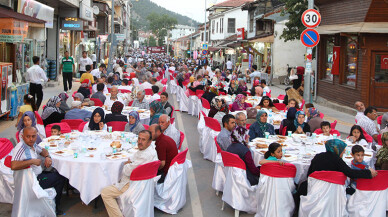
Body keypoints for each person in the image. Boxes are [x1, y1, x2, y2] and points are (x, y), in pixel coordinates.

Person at [101, 130, 158, 217]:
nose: (139, 142)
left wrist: (127, 164)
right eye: (139, 139)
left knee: (105, 192)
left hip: (133, 185)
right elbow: (134, 157)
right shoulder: (150, 149)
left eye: (143, 140)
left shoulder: (145, 155)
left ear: (150, 142)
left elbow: (127, 171)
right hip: (144, 184)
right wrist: (130, 162)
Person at [11, 126, 65, 215]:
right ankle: (55, 207)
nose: (31, 139)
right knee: (60, 178)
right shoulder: (21, 148)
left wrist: (47, 157)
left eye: (33, 136)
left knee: (56, 172)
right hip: (32, 182)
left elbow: (43, 150)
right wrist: (32, 161)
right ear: (23, 136)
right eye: (28, 136)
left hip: (38, 176)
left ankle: (51, 201)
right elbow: (13, 165)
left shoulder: (32, 144)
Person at [298, 139, 376, 197]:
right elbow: (351, 173)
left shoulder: (318, 156)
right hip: (331, 191)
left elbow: (309, 173)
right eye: (343, 151)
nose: (343, 153)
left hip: (314, 188)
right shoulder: (337, 160)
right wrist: (368, 172)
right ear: (337, 149)